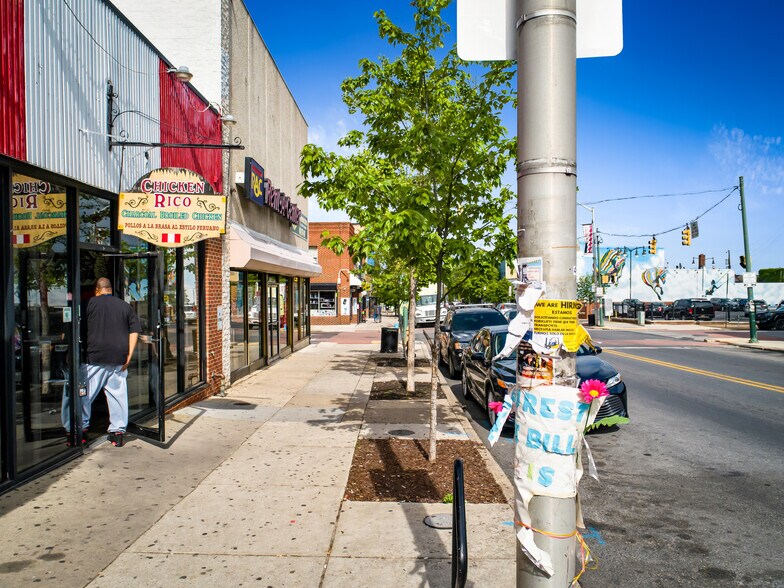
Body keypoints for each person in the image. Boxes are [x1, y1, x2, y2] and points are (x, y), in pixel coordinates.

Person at [80, 277, 141, 447]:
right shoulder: (124, 306)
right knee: (117, 395)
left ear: (96, 289)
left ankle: (79, 430)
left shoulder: (89, 304)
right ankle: (117, 433)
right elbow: (134, 330)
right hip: (119, 358)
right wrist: (129, 354)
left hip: (94, 358)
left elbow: (79, 330)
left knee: (84, 395)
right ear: (110, 289)